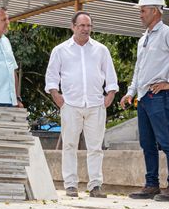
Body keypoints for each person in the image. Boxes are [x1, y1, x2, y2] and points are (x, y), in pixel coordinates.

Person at [120, 0, 169, 202]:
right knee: (147, 143)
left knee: (166, 141)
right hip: (144, 97)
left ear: (154, 11)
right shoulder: (144, 38)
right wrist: (131, 92)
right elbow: (139, 68)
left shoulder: (167, 33)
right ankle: (151, 185)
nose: (140, 15)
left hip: (158, 96)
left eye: (142, 11)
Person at [45, 11, 118, 198]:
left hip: (96, 104)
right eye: (82, 26)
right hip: (70, 104)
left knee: (95, 147)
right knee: (69, 145)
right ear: (73, 26)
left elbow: (110, 75)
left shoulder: (101, 50)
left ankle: (95, 185)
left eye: (88, 26)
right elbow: (52, 76)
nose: (86, 29)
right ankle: (70, 185)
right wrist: (56, 96)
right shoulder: (60, 50)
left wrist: (110, 95)